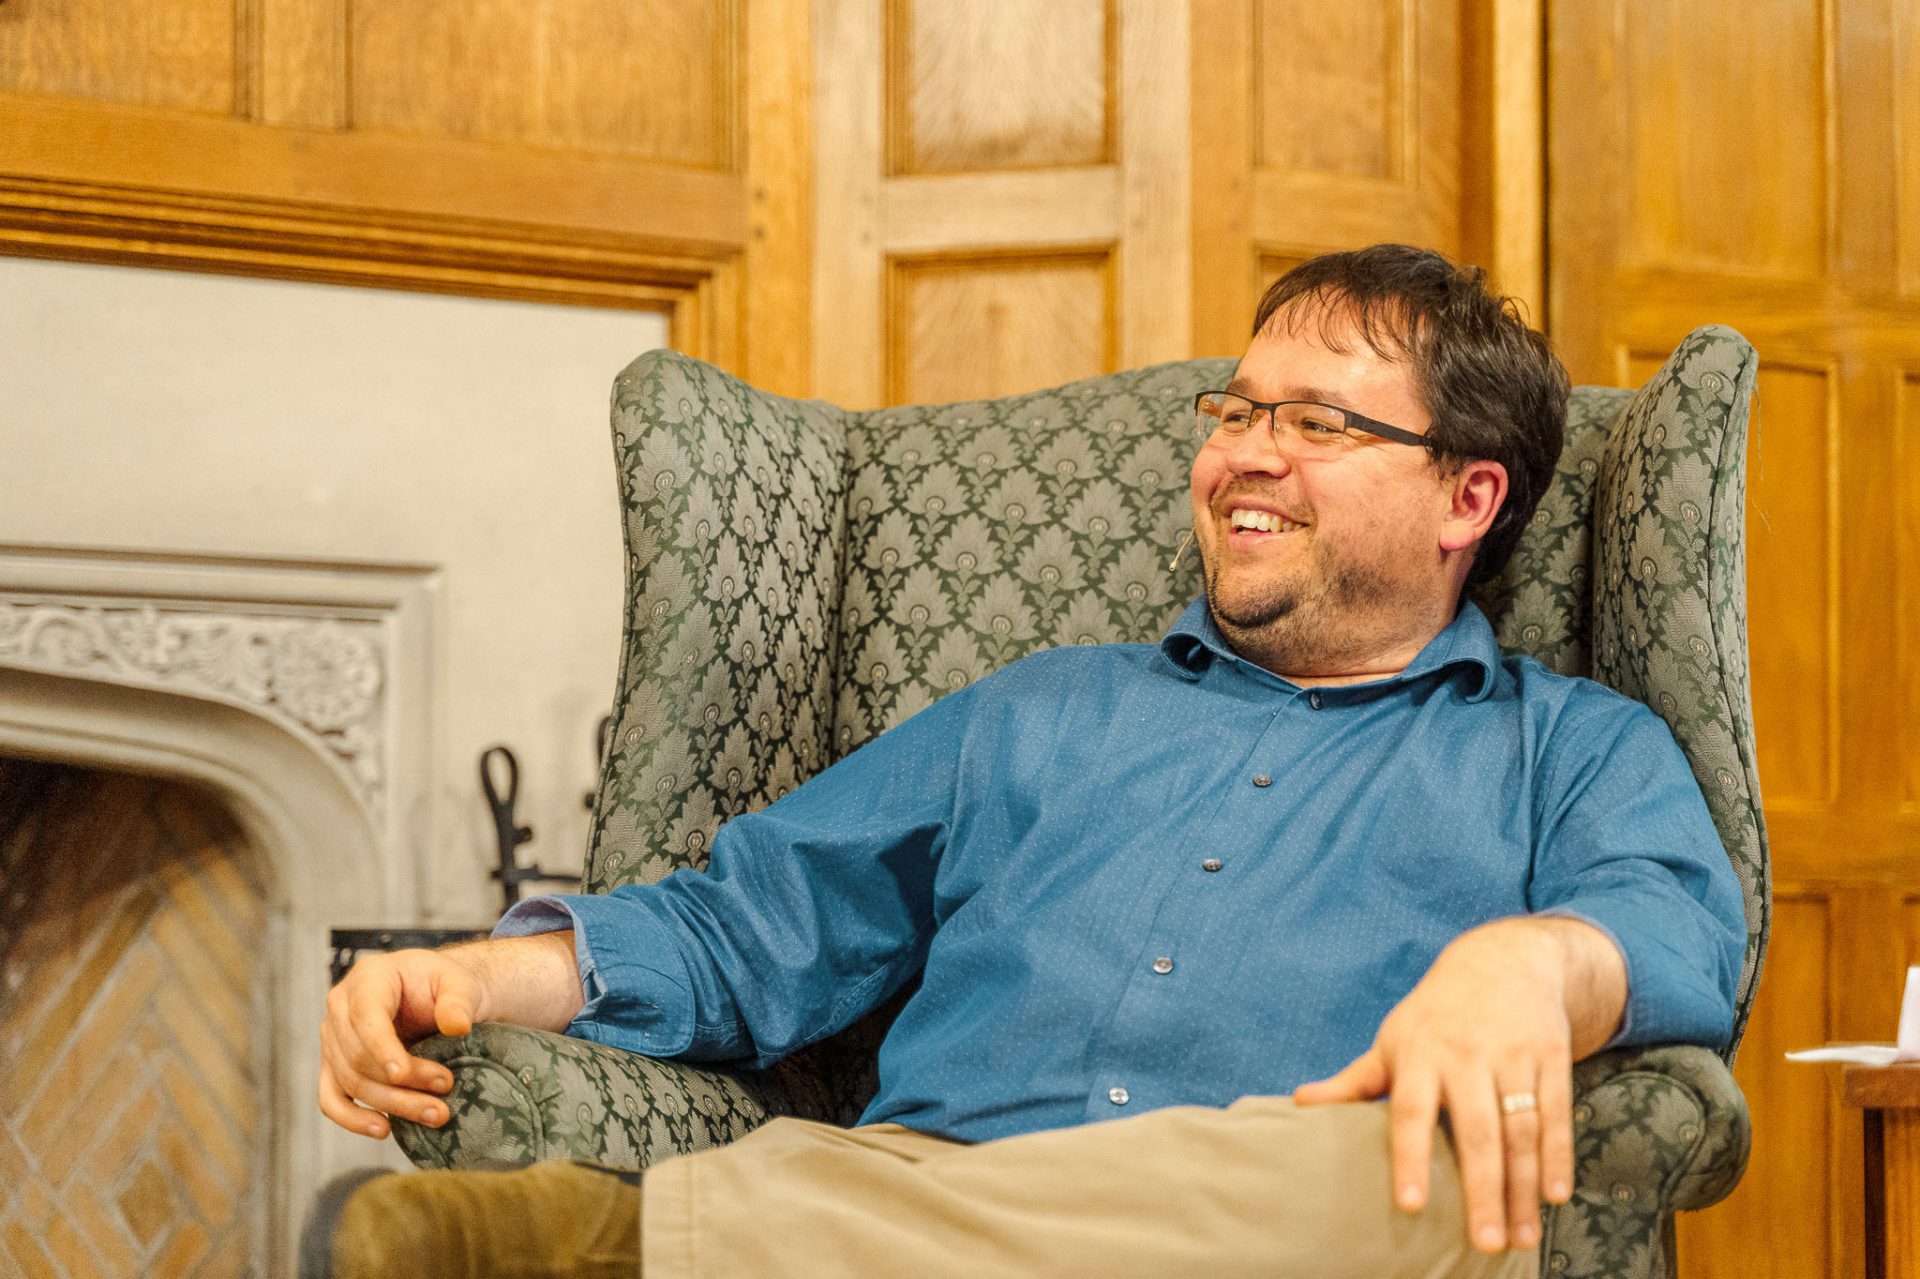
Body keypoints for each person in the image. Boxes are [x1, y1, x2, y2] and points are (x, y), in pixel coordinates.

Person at [306, 245, 1745, 1279]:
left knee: (1407, 1182)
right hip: (925, 1180)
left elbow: (1683, 927)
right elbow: (746, 929)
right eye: (1237, 413)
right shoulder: (1035, 713)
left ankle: (637, 1256)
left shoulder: (1566, 746)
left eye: (1316, 423)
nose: (1245, 454)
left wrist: (1532, 968)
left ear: (1466, 498)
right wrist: (475, 974)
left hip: (1279, 1220)